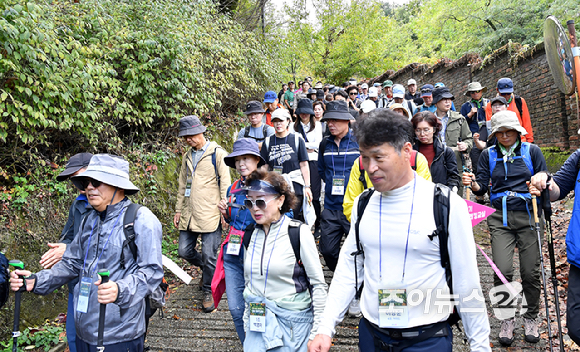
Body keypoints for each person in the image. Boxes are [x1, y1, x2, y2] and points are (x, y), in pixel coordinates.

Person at [309, 109, 491, 352]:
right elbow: (348, 270)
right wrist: (326, 327)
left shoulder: (445, 205)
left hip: (427, 338)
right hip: (372, 336)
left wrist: (480, 345)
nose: (370, 168)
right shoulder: (364, 203)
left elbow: (466, 281)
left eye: (379, 157)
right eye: (364, 158)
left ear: (406, 151)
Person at [10, 154, 163, 352]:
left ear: (118, 185)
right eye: (85, 182)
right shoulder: (88, 220)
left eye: (97, 182)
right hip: (84, 329)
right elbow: (72, 263)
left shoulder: (141, 219)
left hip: (119, 334)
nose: (89, 187)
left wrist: (120, 289)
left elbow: (152, 272)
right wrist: (35, 281)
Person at [463, 110, 547, 346]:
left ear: (518, 131)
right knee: (503, 270)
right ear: (495, 134)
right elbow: (481, 189)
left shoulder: (532, 151)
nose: (505, 135)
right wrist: (474, 183)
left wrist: (539, 186)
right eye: (500, 132)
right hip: (500, 217)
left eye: (509, 130)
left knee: (530, 272)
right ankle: (507, 318)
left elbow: (544, 178)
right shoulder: (488, 155)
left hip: (529, 215)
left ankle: (531, 317)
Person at [239, 170, 328, 351]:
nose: (255, 208)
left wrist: (317, 332)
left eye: (261, 201)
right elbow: (249, 284)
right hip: (258, 324)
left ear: (280, 200)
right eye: (249, 202)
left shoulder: (298, 233)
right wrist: (247, 323)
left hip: (293, 326)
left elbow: (318, 285)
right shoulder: (249, 235)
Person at [174, 115, 231, 313]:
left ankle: (208, 290)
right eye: (185, 136)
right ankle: (211, 272)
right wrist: (178, 209)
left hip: (211, 212)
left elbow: (226, 182)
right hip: (190, 212)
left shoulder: (217, 154)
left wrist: (226, 210)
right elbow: (183, 185)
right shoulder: (187, 156)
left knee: (209, 255)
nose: (188, 139)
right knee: (184, 251)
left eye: (191, 135)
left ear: (201, 131)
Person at [38, 152, 93, 352]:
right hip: (76, 282)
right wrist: (60, 249)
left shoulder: (112, 206)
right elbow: (67, 235)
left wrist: (69, 250)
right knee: (74, 337)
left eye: (81, 178)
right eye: (74, 181)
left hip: (100, 285)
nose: (78, 185)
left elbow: (108, 246)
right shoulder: (78, 203)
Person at [213, 138, 266, 344]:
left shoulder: (267, 186)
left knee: (258, 305)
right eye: (237, 160)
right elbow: (231, 219)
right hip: (233, 254)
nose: (241, 163)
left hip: (257, 251)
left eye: (246, 158)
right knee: (236, 308)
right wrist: (225, 212)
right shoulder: (233, 188)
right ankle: (248, 345)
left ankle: (262, 345)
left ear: (256, 160)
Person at [530, 151, 580, 346]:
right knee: (576, 327)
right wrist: (545, 182)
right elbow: (557, 190)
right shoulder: (578, 158)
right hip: (579, 257)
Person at [317, 100, 361, 273]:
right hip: (330, 206)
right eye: (328, 120)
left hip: (353, 206)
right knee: (327, 250)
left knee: (360, 249)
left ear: (347, 121)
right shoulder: (325, 144)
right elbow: (321, 170)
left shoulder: (359, 142)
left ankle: (355, 281)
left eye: (335, 120)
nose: (330, 124)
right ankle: (342, 275)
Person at [260, 108, 312, 221]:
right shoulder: (268, 141)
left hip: (294, 184)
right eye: (275, 121)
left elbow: (304, 164)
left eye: (281, 120)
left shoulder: (297, 139)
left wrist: (307, 186)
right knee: (277, 217)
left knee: (294, 217)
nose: (278, 124)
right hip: (275, 184)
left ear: (288, 121)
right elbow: (264, 166)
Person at [290, 99, 323, 234]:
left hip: (313, 160)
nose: (304, 115)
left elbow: (318, 143)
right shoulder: (293, 126)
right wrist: (306, 147)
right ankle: (300, 222)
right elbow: (293, 144)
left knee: (314, 194)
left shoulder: (318, 126)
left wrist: (303, 145)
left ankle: (317, 223)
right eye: (301, 113)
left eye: (306, 113)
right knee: (298, 192)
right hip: (298, 162)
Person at [432, 87, 472, 196]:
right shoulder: (429, 120)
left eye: (449, 99)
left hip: (455, 164)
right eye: (444, 99)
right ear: (436, 102)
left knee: (455, 197)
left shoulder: (459, 119)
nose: (447, 102)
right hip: (434, 164)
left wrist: (466, 145)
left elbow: (469, 138)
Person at [411, 111, 460, 190]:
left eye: (426, 130)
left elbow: (453, 177)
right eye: (418, 130)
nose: (422, 134)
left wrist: (448, 192)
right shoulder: (411, 153)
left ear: (434, 130)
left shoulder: (446, 152)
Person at [461, 82, 489, 202]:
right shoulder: (465, 106)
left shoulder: (488, 103)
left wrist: (487, 111)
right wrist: (470, 115)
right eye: (473, 92)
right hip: (473, 138)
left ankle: (491, 190)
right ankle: (479, 192)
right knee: (477, 165)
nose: (475, 94)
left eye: (477, 91)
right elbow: (461, 122)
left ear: (482, 91)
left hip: (488, 136)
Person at [484, 78, 534, 143]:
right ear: (497, 90)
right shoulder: (490, 105)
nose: (506, 96)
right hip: (501, 142)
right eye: (503, 94)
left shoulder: (519, 101)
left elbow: (526, 123)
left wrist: (530, 142)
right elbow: (490, 128)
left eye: (509, 93)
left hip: (520, 141)